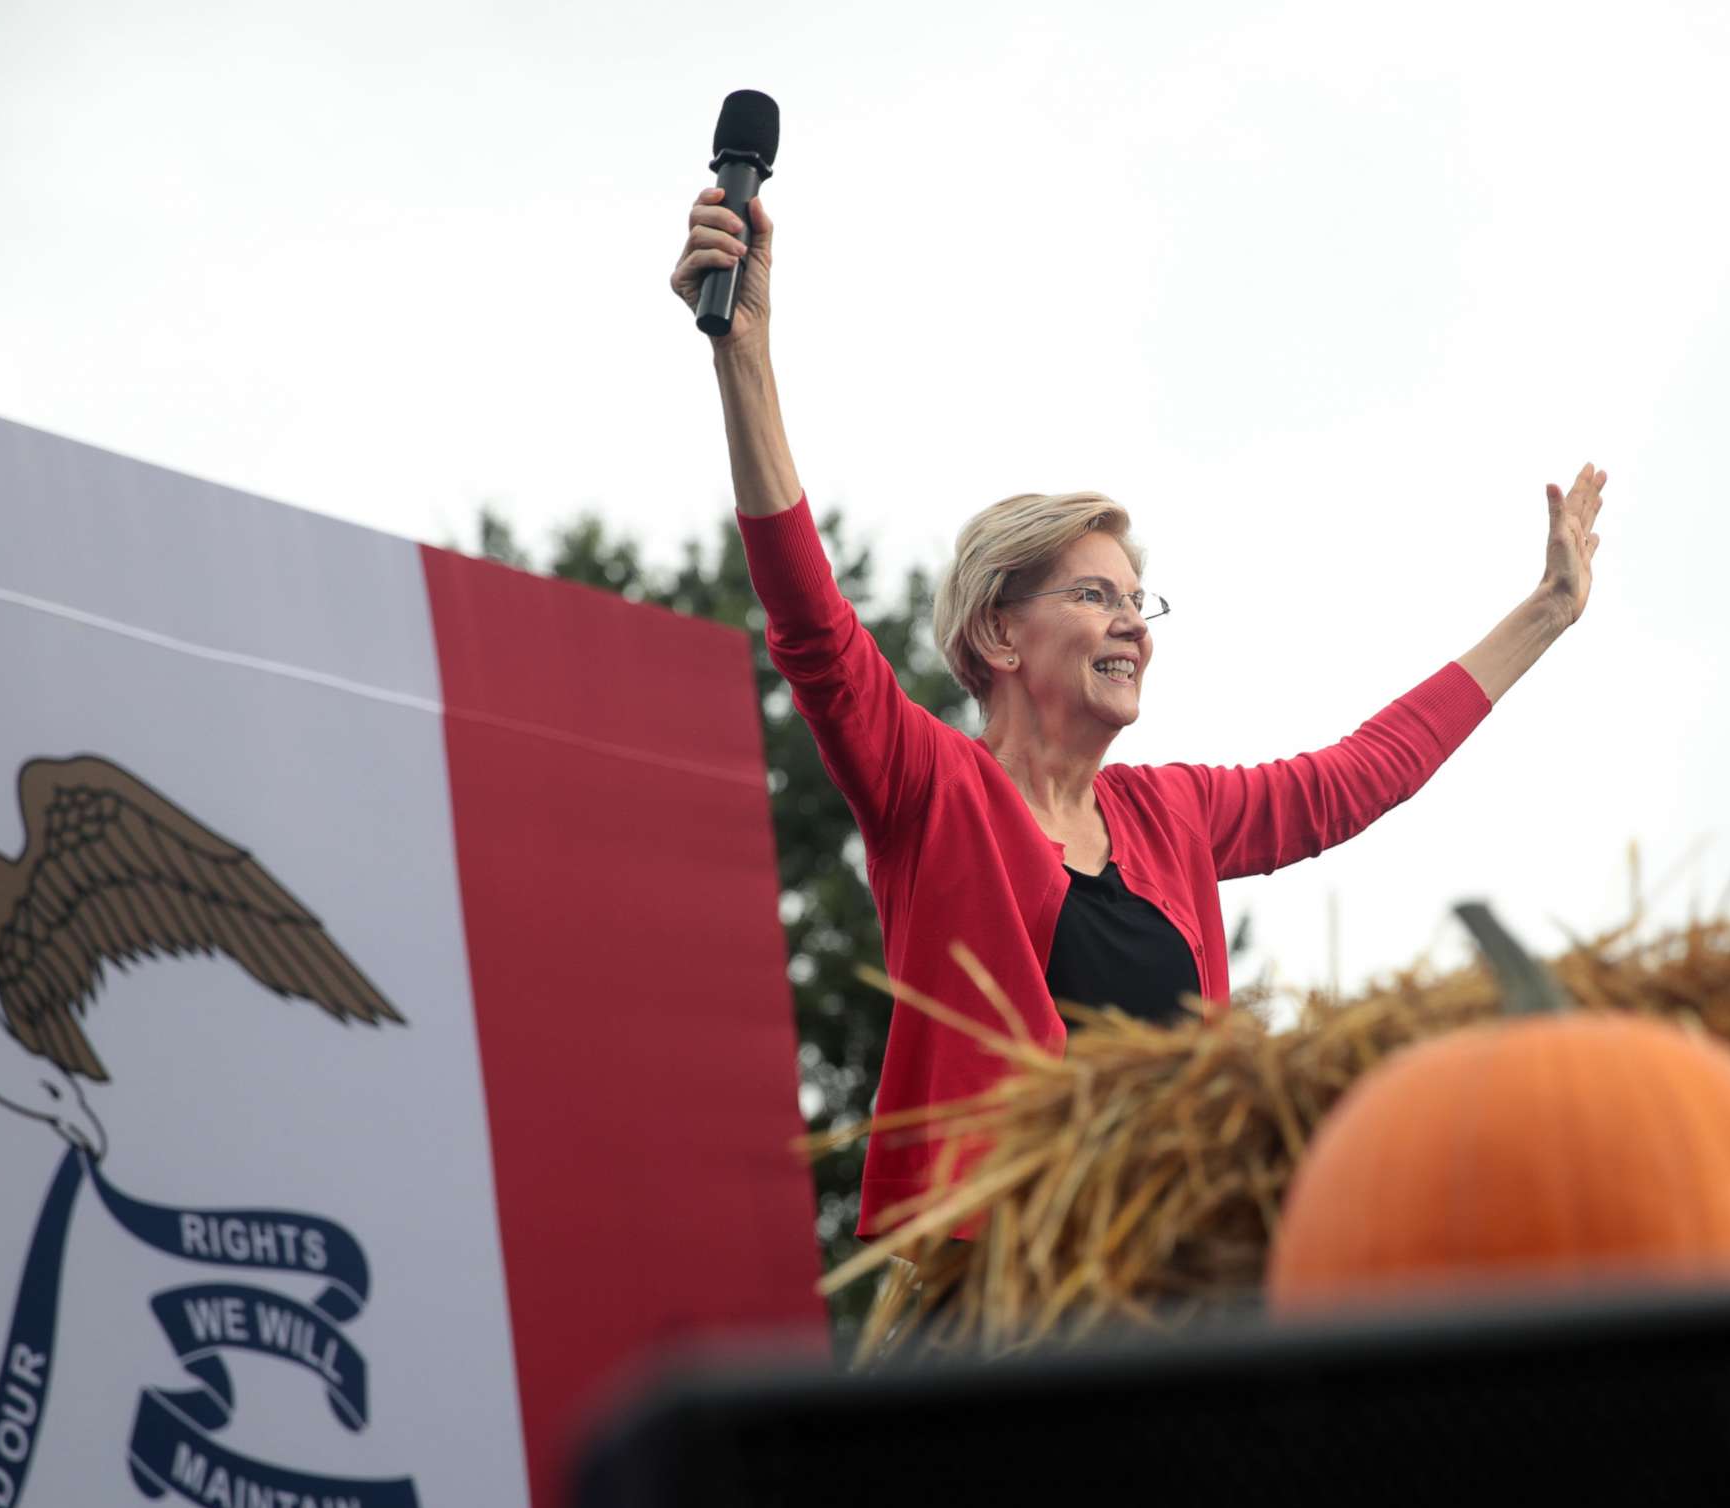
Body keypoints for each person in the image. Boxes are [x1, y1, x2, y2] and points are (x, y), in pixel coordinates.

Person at [671, 185, 1606, 1244]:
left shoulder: (1176, 816)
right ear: (998, 634)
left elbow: (1363, 772)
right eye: (1094, 595)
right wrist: (742, 357)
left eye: (1137, 600)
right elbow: (810, 625)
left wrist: (1547, 613)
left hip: (1161, 1292)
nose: (1133, 624)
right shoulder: (932, 791)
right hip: (997, 1304)